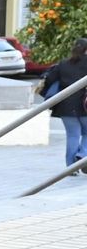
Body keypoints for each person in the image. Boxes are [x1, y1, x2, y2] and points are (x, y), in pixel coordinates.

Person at [41, 37, 87, 172]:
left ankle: (71, 168)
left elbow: (49, 79)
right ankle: (82, 154)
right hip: (84, 105)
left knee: (73, 135)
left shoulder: (63, 64)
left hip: (66, 106)